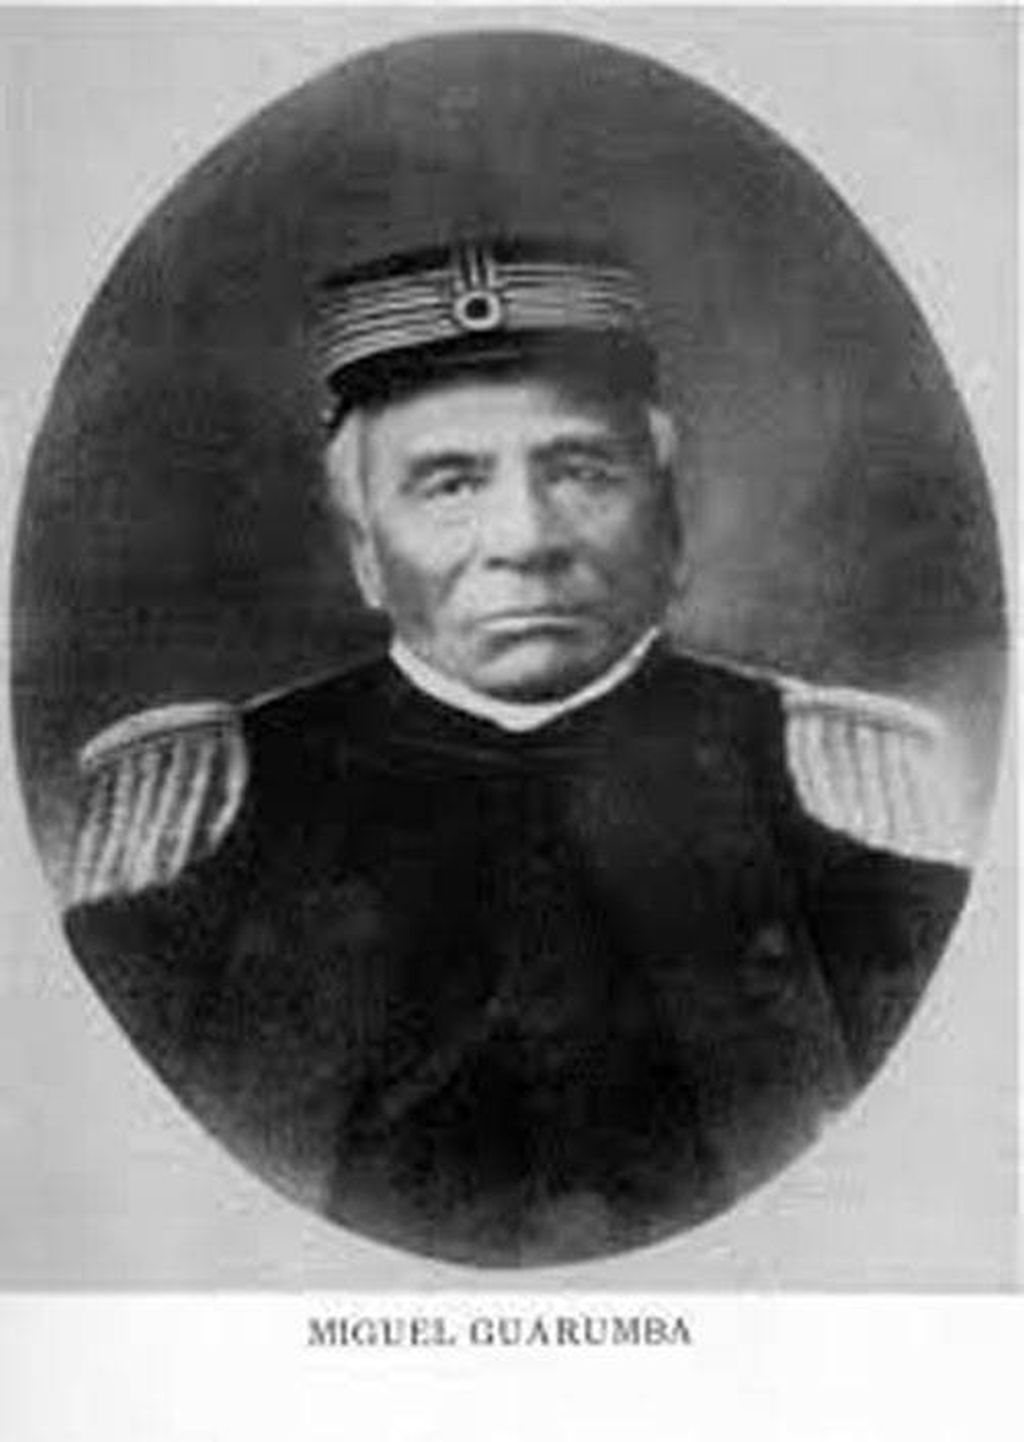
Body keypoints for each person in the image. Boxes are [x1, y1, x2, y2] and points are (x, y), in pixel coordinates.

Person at [63, 239, 970, 1265]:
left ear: (668, 516)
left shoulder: (840, 795)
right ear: (364, 549)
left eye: (579, 471)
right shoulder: (209, 814)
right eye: (450, 483)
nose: (525, 538)